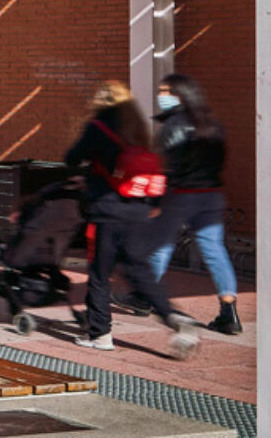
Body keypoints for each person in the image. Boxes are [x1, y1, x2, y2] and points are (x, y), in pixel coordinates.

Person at [63, 81, 197, 358]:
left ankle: (100, 334)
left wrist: (88, 173)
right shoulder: (137, 127)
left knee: (100, 274)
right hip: (139, 210)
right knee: (139, 271)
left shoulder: (98, 126)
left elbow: (72, 158)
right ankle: (173, 316)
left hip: (109, 211)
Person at [143, 74, 242, 335]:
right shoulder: (211, 124)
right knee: (214, 250)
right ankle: (228, 311)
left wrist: (155, 201)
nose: (161, 95)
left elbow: (167, 168)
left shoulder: (173, 126)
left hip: (181, 195)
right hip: (210, 194)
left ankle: (146, 295)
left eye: (167, 90)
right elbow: (219, 161)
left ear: (181, 94)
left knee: (160, 244)